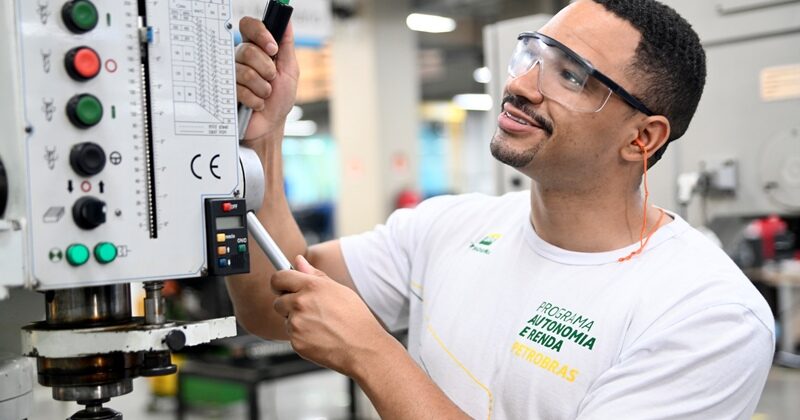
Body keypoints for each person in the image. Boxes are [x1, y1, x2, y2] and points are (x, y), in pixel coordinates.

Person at [228, 0, 775, 418]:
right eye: (533, 55)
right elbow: (268, 306)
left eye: (571, 76)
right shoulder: (449, 227)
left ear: (642, 138)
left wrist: (372, 353)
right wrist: (263, 136)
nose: (521, 84)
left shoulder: (710, 315)